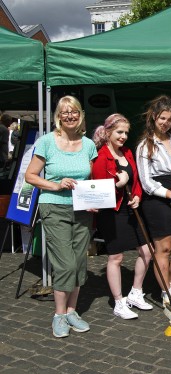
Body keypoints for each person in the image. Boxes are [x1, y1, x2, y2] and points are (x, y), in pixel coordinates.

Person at [25, 95, 97, 338]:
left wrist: (95, 199)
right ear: (58, 116)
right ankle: (58, 315)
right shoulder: (47, 142)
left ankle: (71, 311)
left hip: (82, 210)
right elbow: (31, 176)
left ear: (80, 115)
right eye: (65, 112)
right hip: (53, 207)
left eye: (74, 111)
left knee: (78, 263)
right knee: (65, 263)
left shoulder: (88, 145)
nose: (70, 115)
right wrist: (56, 186)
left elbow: (93, 179)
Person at [92, 113, 153, 320]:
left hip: (130, 209)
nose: (123, 136)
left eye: (126, 132)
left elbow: (135, 179)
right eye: (119, 132)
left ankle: (135, 292)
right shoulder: (101, 157)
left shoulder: (127, 152)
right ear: (108, 132)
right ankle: (119, 302)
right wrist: (117, 185)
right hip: (111, 212)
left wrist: (136, 195)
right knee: (116, 257)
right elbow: (97, 191)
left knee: (147, 251)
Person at [136, 95, 171, 313]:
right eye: (162, 118)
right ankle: (167, 293)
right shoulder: (144, 146)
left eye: (169, 119)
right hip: (159, 198)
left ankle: (168, 283)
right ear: (153, 118)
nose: (165, 123)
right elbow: (147, 183)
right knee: (164, 248)